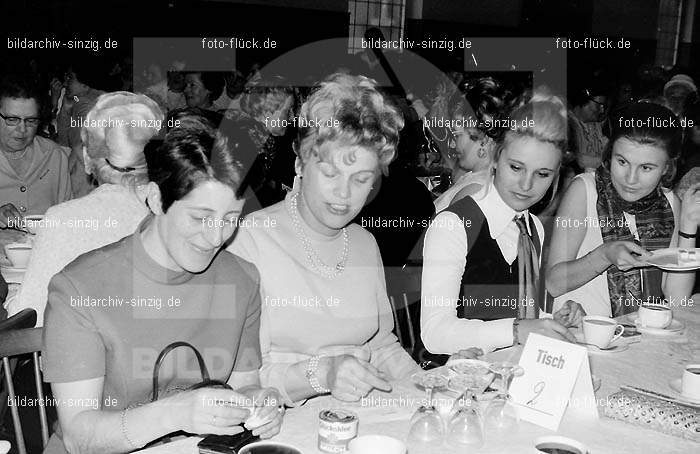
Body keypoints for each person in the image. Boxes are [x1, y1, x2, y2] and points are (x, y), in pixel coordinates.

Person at [42, 115, 283, 453]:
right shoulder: (79, 289)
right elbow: (79, 437)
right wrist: (175, 414)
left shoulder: (241, 278)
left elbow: (246, 385)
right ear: (156, 199)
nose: (216, 238)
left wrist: (260, 403)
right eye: (200, 217)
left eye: (231, 219)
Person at [227, 73, 420, 405]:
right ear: (301, 162)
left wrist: (429, 386)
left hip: (360, 422)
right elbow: (241, 379)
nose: (343, 195)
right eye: (330, 173)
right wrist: (322, 375)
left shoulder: (364, 243)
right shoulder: (249, 242)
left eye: (361, 180)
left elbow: (381, 346)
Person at [421, 91, 582, 356]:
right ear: (496, 158)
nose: (526, 185)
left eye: (542, 174)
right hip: (454, 379)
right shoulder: (455, 225)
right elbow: (435, 333)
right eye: (516, 168)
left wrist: (553, 320)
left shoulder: (532, 228)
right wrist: (518, 329)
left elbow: (515, 310)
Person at [6, 92, 162, 325]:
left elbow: (31, 313)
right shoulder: (175, 212)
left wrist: (9, 302)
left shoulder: (64, 219)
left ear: (88, 159)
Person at [546, 102, 700, 316]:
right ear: (610, 154)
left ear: (666, 167)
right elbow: (553, 283)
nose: (630, 178)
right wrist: (605, 256)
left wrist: (688, 229)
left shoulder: (670, 203)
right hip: (580, 332)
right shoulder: (585, 190)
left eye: (646, 168)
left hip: (639, 338)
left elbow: (678, 300)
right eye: (622, 161)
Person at [0, 74, 72, 225]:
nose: (22, 129)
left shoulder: (54, 155)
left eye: (31, 121)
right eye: (12, 120)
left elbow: (67, 214)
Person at [432, 77, 508, 212]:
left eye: (457, 135)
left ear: (484, 139)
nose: (453, 144)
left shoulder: (475, 191)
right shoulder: (476, 180)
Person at [55, 59, 109, 197]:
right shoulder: (80, 100)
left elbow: (74, 148)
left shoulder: (92, 106)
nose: (65, 82)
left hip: (86, 182)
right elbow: (65, 142)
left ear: (85, 83)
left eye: (70, 78)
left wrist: (64, 172)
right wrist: (66, 109)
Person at [569, 83, 609, 172]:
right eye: (599, 105)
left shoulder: (596, 125)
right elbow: (578, 160)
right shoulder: (567, 125)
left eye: (603, 106)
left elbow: (607, 147)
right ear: (584, 101)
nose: (602, 110)